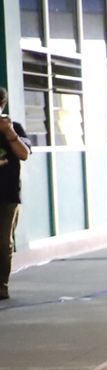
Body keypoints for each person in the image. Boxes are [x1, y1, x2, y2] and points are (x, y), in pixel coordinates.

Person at [0, 86, 32, 300]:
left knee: (3, 242)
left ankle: (1, 285)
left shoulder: (15, 128)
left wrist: (9, 132)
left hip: (8, 194)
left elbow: (24, 154)